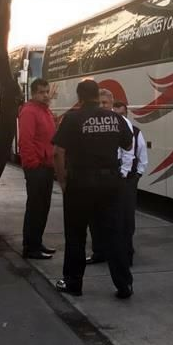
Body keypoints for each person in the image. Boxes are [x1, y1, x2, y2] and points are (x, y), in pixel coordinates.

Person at [53, 79, 134, 298]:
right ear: (98, 96)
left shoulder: (72, 118)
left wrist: (63, 181)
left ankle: (73, 283)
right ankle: (124, 285)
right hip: (110, 185)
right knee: (114, 235)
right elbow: (128, 145)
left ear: (79, 98)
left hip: (80, 184)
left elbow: (58, 152)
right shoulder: (116, 118)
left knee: (76, 235)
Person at [18, 78, 57, 259]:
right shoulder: (29, 111)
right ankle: (30, 247)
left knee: (43, 207)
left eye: (47, 91)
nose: (45, 95)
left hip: (47, 166)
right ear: (33, 93)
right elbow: (25, 141)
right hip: (37, 168)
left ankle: (37, 242)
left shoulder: (45, 111)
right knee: (35, 207)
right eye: (41, 92)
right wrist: (33, 164)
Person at [113, 100, 148, 266]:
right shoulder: (108, 132)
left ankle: (127, 251)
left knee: (127, 217)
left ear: (127, 114)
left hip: (128, 180)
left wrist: (137, 174)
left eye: (122, 114)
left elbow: (142, 155)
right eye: (116, 115)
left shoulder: (135, 132)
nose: (120, 118)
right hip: (112, 178)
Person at [85, 88, 117, 265]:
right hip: (94, 179)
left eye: (105, 103)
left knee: (112, 220)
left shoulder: (119, 122)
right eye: (100, 103)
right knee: (95, 219)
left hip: (112, 178)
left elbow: (129, 150)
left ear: (112, 104)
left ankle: (115, 254)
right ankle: (99, 252)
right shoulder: (92, 123)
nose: (102, 106)